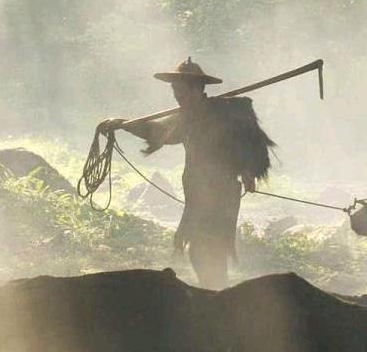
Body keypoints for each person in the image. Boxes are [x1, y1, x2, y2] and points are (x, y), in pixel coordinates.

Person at [100, 58, 274, 289]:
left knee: (208, 251)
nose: (176, 94)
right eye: (174, 89)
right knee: (200, 252)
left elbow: (243, 141)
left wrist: (247, 171)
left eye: (180, 89)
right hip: (198, 194)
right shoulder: (187, 118)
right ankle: (215, 295)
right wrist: (122, 124)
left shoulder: (222, 113)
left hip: (220, 194)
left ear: (195, 89)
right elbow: (159, 133)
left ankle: (216, 299)